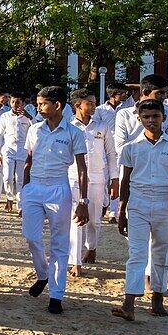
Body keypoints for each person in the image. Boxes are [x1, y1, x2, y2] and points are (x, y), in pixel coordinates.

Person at [111, 99, 168, 321]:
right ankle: (129, 303)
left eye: (155, 116)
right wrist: (121, 211)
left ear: (164, 117)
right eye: (147, 117)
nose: (151, 121)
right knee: (137, 254)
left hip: (166, 203)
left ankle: (157, 299)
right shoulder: (131, 148)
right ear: (139, 119)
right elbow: (125, 181)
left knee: (161, 252)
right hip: (138, 204)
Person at [21, 86, 89, 314]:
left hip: (59, 188)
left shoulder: (73, 133)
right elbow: (28, 162)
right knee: (31, 237)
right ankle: (43, 275)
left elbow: (81, 168)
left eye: (42, 104)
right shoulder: (34, 130)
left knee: (60, 243)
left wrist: (83, 201)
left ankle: (56, 295)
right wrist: (24, 192)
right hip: (34, 188)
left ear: (57, 105)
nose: (38, 108)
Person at [67, 89, 117, 275]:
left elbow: (111, 154)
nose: (94, 106)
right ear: (78, 105)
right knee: (76, 220)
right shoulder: (69, 126)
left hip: (97, 178)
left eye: (95, 102)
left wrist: (115, 180)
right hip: (73, 178)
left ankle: (92, 247)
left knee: (95, 221)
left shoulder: (102, 127)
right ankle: (75, 261)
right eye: (89, 103)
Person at [0, 93, 33, 211]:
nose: (15, 105)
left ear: (23, 104)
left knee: (20, 178)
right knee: (7, 177)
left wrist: (30, 117)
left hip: (23, 151)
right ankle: (9, 197)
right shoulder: (5, 116)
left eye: (18, 102)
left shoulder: (28, 117)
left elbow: (36, 130)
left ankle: (20, 204)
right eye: (12, 102)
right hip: (8, 150)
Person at [115, 74, 168, 148]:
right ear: (146, 92)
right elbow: (120, 147)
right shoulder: (124, 114)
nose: (164, 97)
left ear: (164, 117)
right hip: (133, 158)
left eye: (166, 93)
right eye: (160, 93)